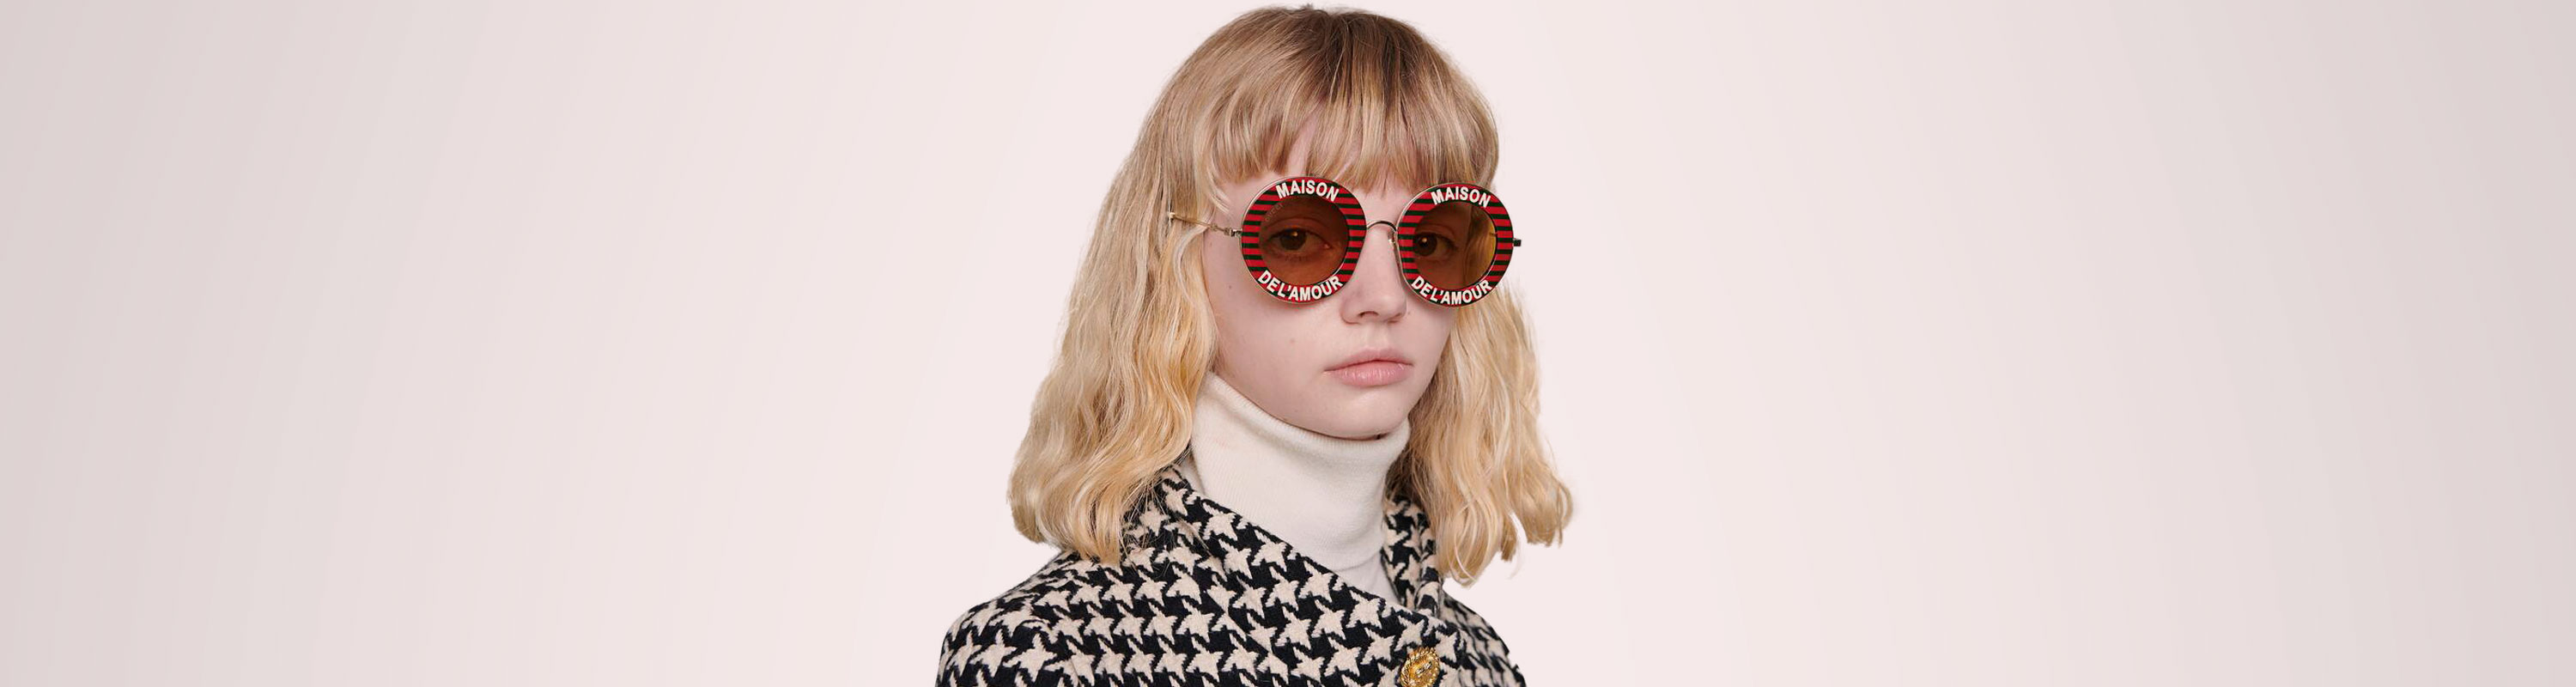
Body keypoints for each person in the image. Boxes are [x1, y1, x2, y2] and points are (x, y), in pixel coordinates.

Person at [936, 6, 1571, 685]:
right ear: (1175, 259)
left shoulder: (1478, 660)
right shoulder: (1054, 655)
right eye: (1299, 237)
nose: (1385, 298)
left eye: (1432, 240)